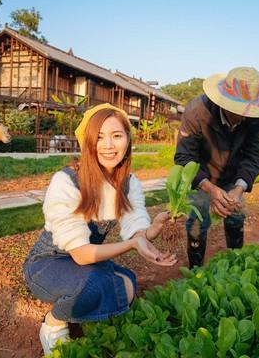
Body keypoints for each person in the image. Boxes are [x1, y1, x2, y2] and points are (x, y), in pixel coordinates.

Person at [23, 103, 176, 355]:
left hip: (83, 262)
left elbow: (135, 228)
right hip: (48, 263)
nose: (108, 145)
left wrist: (151, 231)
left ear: (128, 139)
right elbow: (82, 254)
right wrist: (132, 244)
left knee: (128, 285)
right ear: (88, 142)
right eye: (100, 137)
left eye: (116, 136)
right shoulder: (67, 181)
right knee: (93, 284)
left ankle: (83, 309)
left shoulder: (128, 183)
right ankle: (53, 324)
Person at [174, 67, 259, 268]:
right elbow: (185, 157)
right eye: (239, 110)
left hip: (234, 173)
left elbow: (254, 155)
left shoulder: (258, 117)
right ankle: (195, 273)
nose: (244, 115)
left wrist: (238, 189)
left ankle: (236, 266)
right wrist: (209, 188)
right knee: (197, 222)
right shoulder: (197, 111)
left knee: (236, 216)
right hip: (201, 174)